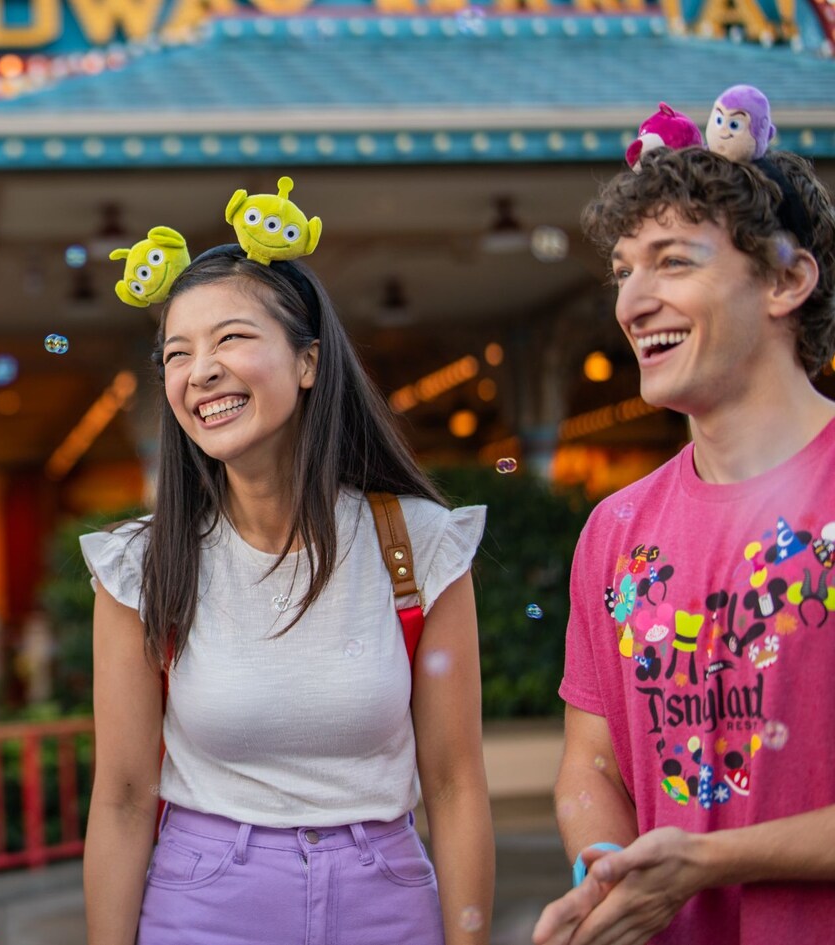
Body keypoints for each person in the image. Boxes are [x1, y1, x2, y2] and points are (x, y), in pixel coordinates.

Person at [80, 183, 495, 945]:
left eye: (231, 338)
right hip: (203, 905)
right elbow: (125, 797)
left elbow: (456, 784)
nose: (200, 370)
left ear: (307, 362)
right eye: (177, 352)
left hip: (387, 902)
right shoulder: (141, 565)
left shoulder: (420, 546)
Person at [534, 147, 835, 945]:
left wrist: (703, 860)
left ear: (784, 280)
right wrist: (607, 874)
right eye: (624, 270)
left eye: (672, 262)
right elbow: (590, 764)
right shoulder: (616, 529)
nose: (633, 301)